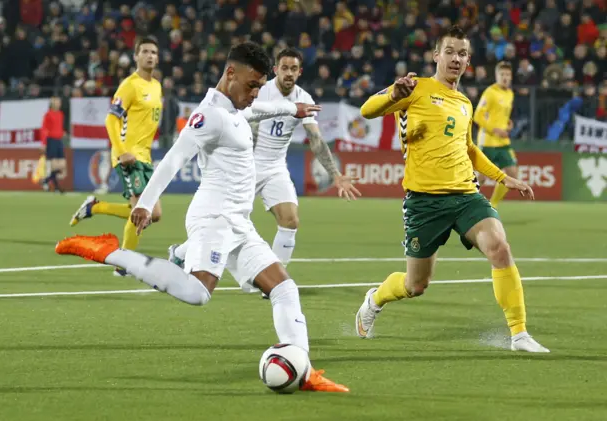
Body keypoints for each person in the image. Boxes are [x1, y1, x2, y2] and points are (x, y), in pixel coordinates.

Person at [55, 42, 349, 392]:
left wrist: (292, 108)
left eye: (259, 86)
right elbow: (175, 158)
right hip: (214, 217)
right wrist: (145, 203)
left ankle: (304, 369)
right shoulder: (209, 115)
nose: (256, 93)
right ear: (230, 74)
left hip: (239, 222)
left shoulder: (238, 108)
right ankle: (108, 251)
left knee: (285, 288)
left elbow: (260, 110)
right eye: (252, 85)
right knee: (198, 293)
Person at [354, 26, 549, 353]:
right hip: (424, 202)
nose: (456, 58)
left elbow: (470, 148)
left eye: (462, 53)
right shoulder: (414, 88)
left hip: (465, 196)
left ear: (468, 60)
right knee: (416, 285)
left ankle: (519, 335)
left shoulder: (464, 102)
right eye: (450, 51)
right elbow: (366, 111)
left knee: (499, 247)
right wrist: (393, 95)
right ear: (436, 55)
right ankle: (375, 299)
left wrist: (503, 177)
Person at [168, 48, 361, 298]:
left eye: (294, 69)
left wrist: (335, 174)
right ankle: (181, 254)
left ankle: (272, 285)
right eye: (284, 68)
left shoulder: (304, 97)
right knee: (228, 224)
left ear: (300, 72)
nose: (289, 73)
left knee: (291, 220)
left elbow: (315, 138)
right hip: (246, 167)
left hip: (275, 168)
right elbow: (243, 121)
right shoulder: (259, 90)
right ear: (276, 70)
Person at [69, 36, 163, 277]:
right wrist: (121, 151)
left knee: (155, 214)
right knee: (142, 210)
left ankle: (95, 207)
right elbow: (111, 118)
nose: (150, 56)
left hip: (145, 156)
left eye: (153, 52)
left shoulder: (156, 86)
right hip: (128, 155)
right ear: (136, 56)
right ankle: (124, 264)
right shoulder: (129, 85)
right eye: (145, 51)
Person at [474, 61, 517, 209]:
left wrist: (507, 124)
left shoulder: (510, 94)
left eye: (507, 74)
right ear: (497, 76)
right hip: (488, 141)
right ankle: (462, 201)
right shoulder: (490, 92)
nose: (505, 77)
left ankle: (493, 205)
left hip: (503, 142)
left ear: (511, 77)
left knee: (512, 173)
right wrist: (495, 129)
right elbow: (477, 116)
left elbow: (501, 116)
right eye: (502, 74)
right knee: (481, 177)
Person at [40, 97, 66, 193]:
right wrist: (43, 143)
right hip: (51, 140)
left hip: (59, 140)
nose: (58, 104)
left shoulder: (61, 114)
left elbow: (59, 127)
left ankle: (46, 180)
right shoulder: (48, 114)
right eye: (56, 102)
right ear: (52, 103)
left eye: (59, 102)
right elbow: (44, 129)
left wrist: (62, 132)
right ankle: (56, 187)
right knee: (54, 165)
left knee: (61, 165)